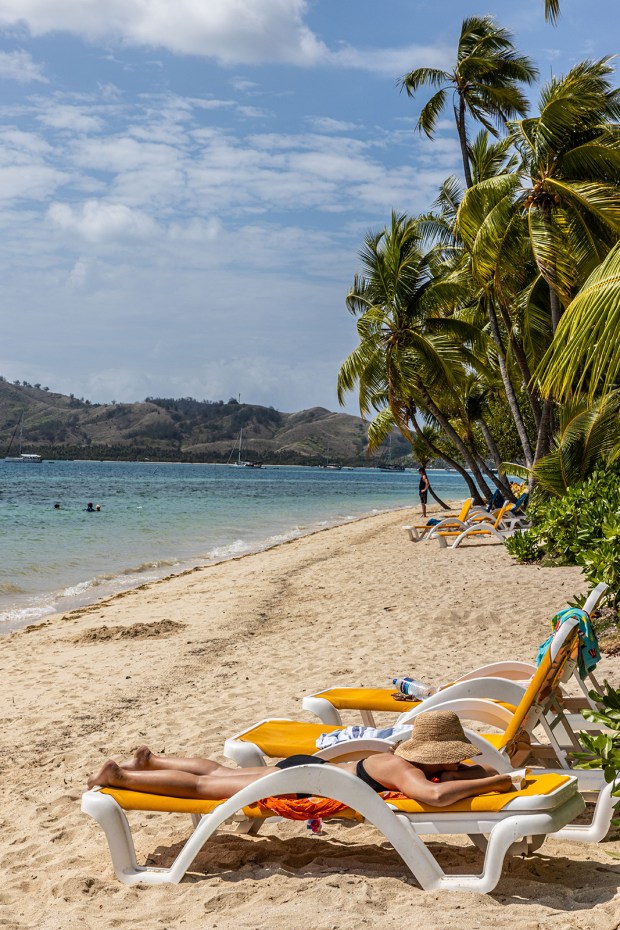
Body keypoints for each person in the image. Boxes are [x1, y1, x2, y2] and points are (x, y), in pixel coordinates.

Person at [87, 710, 513, 807]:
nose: (459, 766)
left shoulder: (402, 759)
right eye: (454, 761)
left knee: (220, 771)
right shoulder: (401, 769)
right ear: (436, 759)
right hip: (299, 781)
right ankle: (122, 776)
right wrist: (492, 782)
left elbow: (475, 772)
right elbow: (435, 799)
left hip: (309, 768)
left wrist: (483, 772)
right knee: (206, 788)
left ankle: (155, 761)